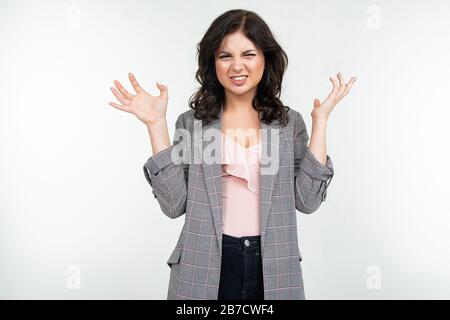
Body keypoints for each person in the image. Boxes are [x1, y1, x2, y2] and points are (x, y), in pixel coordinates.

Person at [108, 9, 356, 300]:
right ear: (213, 63)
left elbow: (308, 201)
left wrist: (321, 121)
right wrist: (155, 125)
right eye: (225, 56)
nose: (237, 66)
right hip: (204, 267)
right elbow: (174, 205)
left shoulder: (291, 124)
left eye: (248, 54)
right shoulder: (191, 124)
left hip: (274, 268)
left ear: (266, 58)